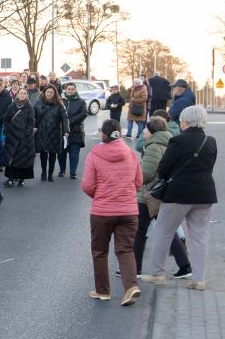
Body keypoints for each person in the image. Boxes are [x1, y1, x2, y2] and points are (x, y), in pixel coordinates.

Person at [140, 106, 217, 290]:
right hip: (205, 193)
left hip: (178, 194)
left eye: (181, 120)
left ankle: (157, 274)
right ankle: (198, 279)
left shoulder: (177, 141)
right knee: (200, 236)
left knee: (163, 231)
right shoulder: (210, 141)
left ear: (186, 122)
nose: (180, 123)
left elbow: (164, 167)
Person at [81, 119, 143, 305]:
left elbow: (87, 185)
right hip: (129, 211)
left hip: (102, 212)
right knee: (125, 249)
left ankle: (103, 290)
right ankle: (131, 286)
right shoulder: (131, 154)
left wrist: (100, 196)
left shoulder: (94, 155)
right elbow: (138, 182)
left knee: (100, 251)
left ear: (103, 134)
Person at [132, 117, 191, 277]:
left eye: (146, 129)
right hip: (163, 193)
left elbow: (146, 173)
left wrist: (135, 176)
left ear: (152, 131)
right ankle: (185, 266)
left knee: (139, 231)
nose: (144, 131)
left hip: (149, 195)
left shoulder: (153, 147)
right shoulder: (170, 143)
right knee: (167, 230)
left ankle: (135, 268)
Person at [2, 89, 37, 187]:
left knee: (23, 160)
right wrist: (7, 132)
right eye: (21, 93)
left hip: (24, 138)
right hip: (12, 137)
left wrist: (27, 134)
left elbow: (31, 122)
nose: (22, 95)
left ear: (27, 95)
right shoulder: (12, 106)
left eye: (24, 93)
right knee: (11, 158)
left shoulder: (29, 107)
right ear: (17, 94)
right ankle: (10, 179)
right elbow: (7, 119)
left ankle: (21, 179)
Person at [33, 85, 67, 182]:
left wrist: (66, 131)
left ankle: (50, 174)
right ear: (44, 92)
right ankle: (43, 172)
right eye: (48, 92)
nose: (49, 94)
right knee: (43, 153)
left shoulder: (59, 104)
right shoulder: (38, 103)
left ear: (55, 93)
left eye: (51, 92)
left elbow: (64, 118)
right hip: (42, 132)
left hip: (55, 132)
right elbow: (33, 116)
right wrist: (34, 126)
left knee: (53, 154)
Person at [62, 82, 87, 179]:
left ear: (75, 90)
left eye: (72, 89)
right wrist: (64, 122)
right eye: (69, 89)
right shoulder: (60, 100)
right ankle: (62, 170)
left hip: (76, 130)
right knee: (61, 153)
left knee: (74, 153)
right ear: (65, 90)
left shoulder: (81, 101)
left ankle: (73, 172)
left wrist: (70, 121)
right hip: (62, 131)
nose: (70, 91)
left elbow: (83, 114)